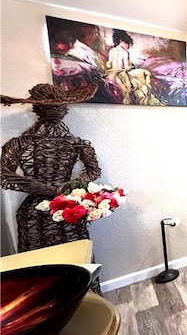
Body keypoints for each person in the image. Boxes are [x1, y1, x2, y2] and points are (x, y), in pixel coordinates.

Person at [1, 84, 102, 252]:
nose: (58, 111)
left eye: (59, 107)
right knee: (38, 258)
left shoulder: (78, 143)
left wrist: (70, 186)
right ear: (38, 108)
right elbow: (3, 174)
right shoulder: (20, 144)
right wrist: (47, 190)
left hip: (70, 208)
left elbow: (94, 171)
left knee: (75, 255)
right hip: (37, 210)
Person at [105, 29, 152, 104]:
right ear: (121, 41)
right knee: (141, 80)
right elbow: (126, 67)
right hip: (121, 75)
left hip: (111, 74)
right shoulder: (125, 52)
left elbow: (108, 64)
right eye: (127, 43)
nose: (128, 46)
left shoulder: (111, 51)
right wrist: (131, 67)